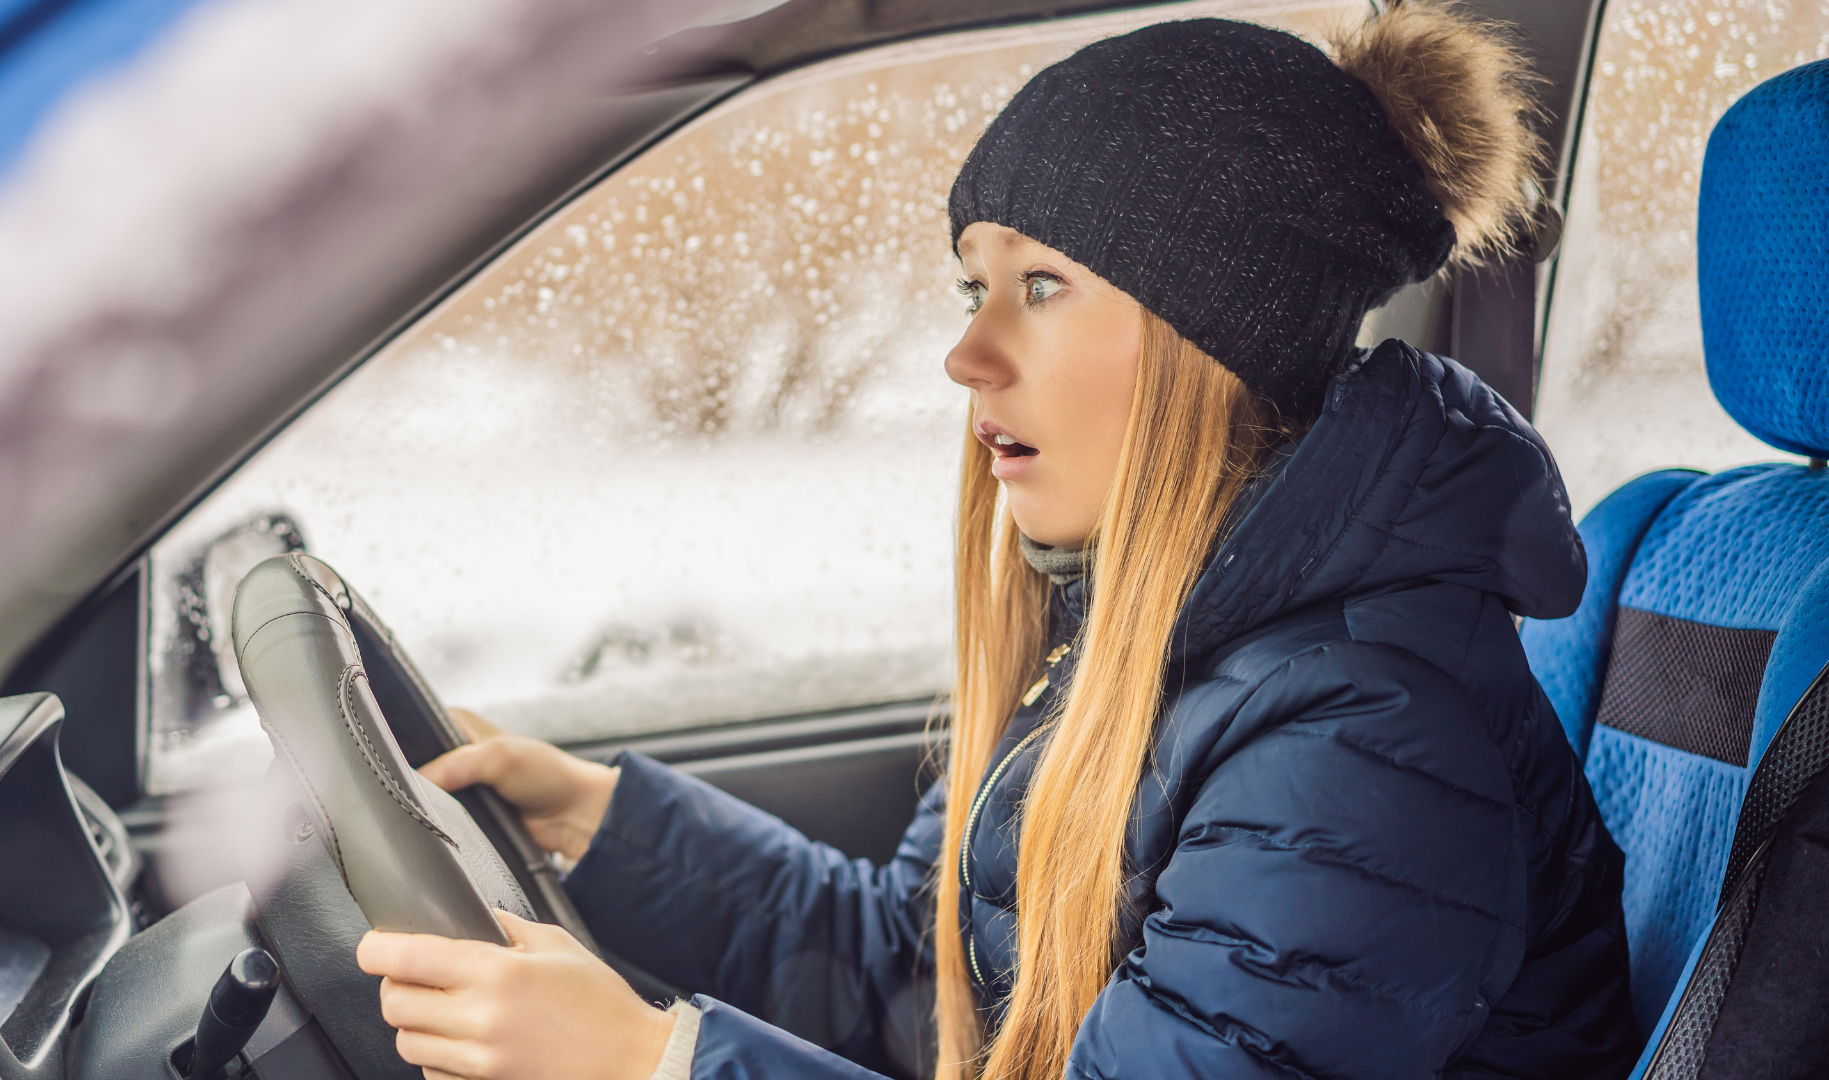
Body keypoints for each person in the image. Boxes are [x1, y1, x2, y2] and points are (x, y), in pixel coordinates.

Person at [354, 4, 1642, 1078]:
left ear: (1217, 340)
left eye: (1042, 286)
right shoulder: (1133, 632)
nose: (965, 353)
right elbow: (921, 975)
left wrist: (655, 1065)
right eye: (976, 286)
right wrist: (589, 818)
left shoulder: (1364, 743)